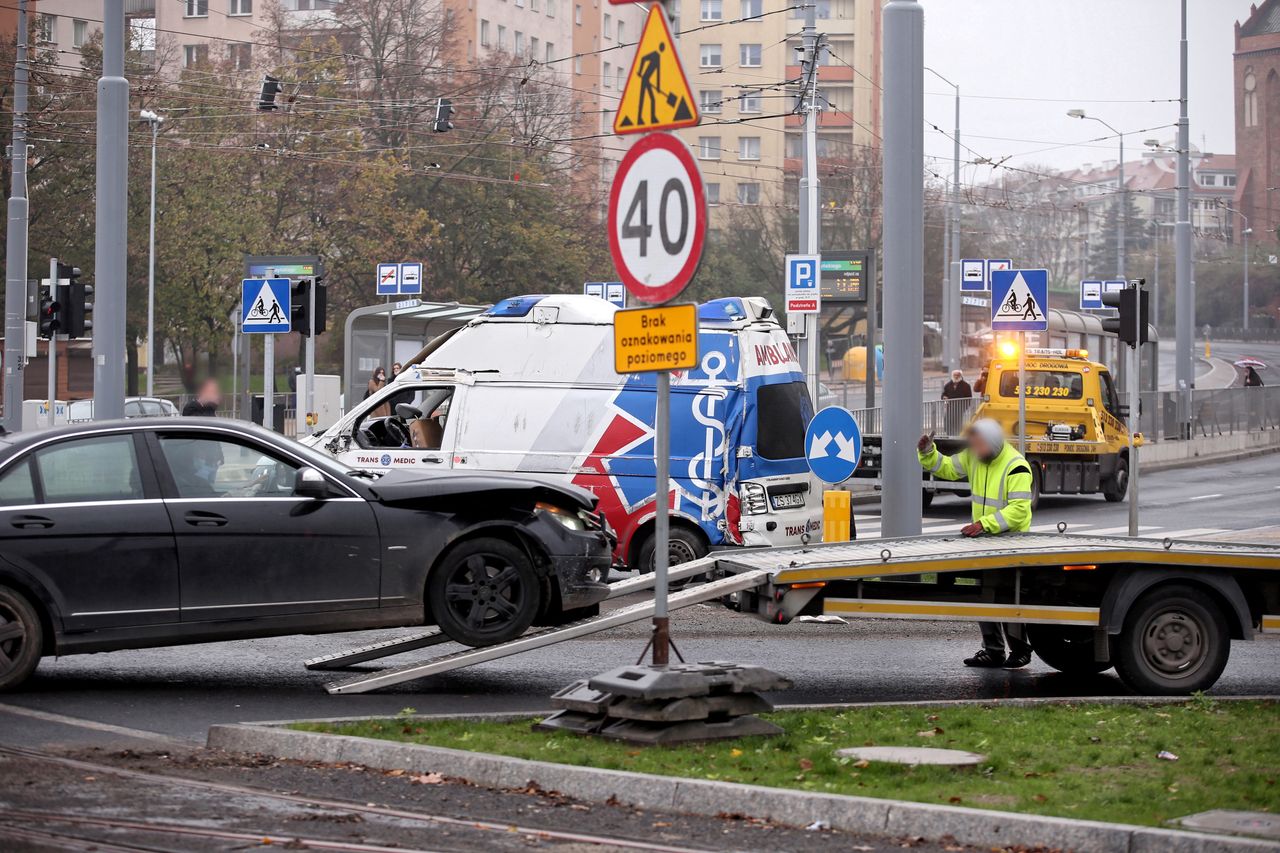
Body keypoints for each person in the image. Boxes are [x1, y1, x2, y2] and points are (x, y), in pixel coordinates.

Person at [918, 418, 1035, 669]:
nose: (975, 450)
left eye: (980, 445)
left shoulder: (1016, 466)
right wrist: (928, 452)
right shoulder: (975, 456)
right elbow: (947, 467)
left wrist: (984, 524)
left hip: (1010, 543)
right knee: (985, 595)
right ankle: (993, 651)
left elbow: (1018, 511)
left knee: (1006, 597)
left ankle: (1020, 650)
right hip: (983, 541)